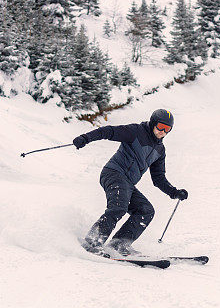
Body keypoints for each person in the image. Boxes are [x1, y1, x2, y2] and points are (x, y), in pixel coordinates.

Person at [73, 109, 188, 256]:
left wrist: (174, 192)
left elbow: (158, 178)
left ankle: (119, 244)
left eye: (167, 129)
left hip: (127, 183)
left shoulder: (160, 150)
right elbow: (109, 131)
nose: (163, 132)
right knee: (119, 207)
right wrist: (85, 138)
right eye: (160, 127)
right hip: (113, 173)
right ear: (153, 123)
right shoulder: (136, 132)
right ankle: (92, 242)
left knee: (146, 210)